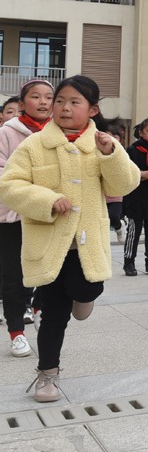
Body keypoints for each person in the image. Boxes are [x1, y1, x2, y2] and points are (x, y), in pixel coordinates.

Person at [0, 75, 139, 402]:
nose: (63, 107)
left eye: (74, 102)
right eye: (59, 101)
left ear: (92, 109)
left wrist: (112, 155)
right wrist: (45, 200)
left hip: (87, 243)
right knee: (54, 314)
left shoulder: (103, 143)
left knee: (87, 288)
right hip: (49, 244)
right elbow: (10, 185)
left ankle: (84, 295)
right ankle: (47, 375)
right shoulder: (33, 145)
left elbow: (126, 184)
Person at [0, 78, 55, 357]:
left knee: (49, 270)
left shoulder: (60, 132)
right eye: (36, 97)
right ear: (22, 104)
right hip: (14, 214)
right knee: (13, 275)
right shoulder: (8, 132)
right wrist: (30, 194)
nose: (44, 102)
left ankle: (38, 307)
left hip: (50, 215)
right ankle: (16, 332)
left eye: (49, 97)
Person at [122, 118, 148, 276]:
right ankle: (129, 262)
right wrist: (140, 174)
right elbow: (124, 172)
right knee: (133, 232)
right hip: (135, 198)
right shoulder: (132, 150)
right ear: (141, 133)